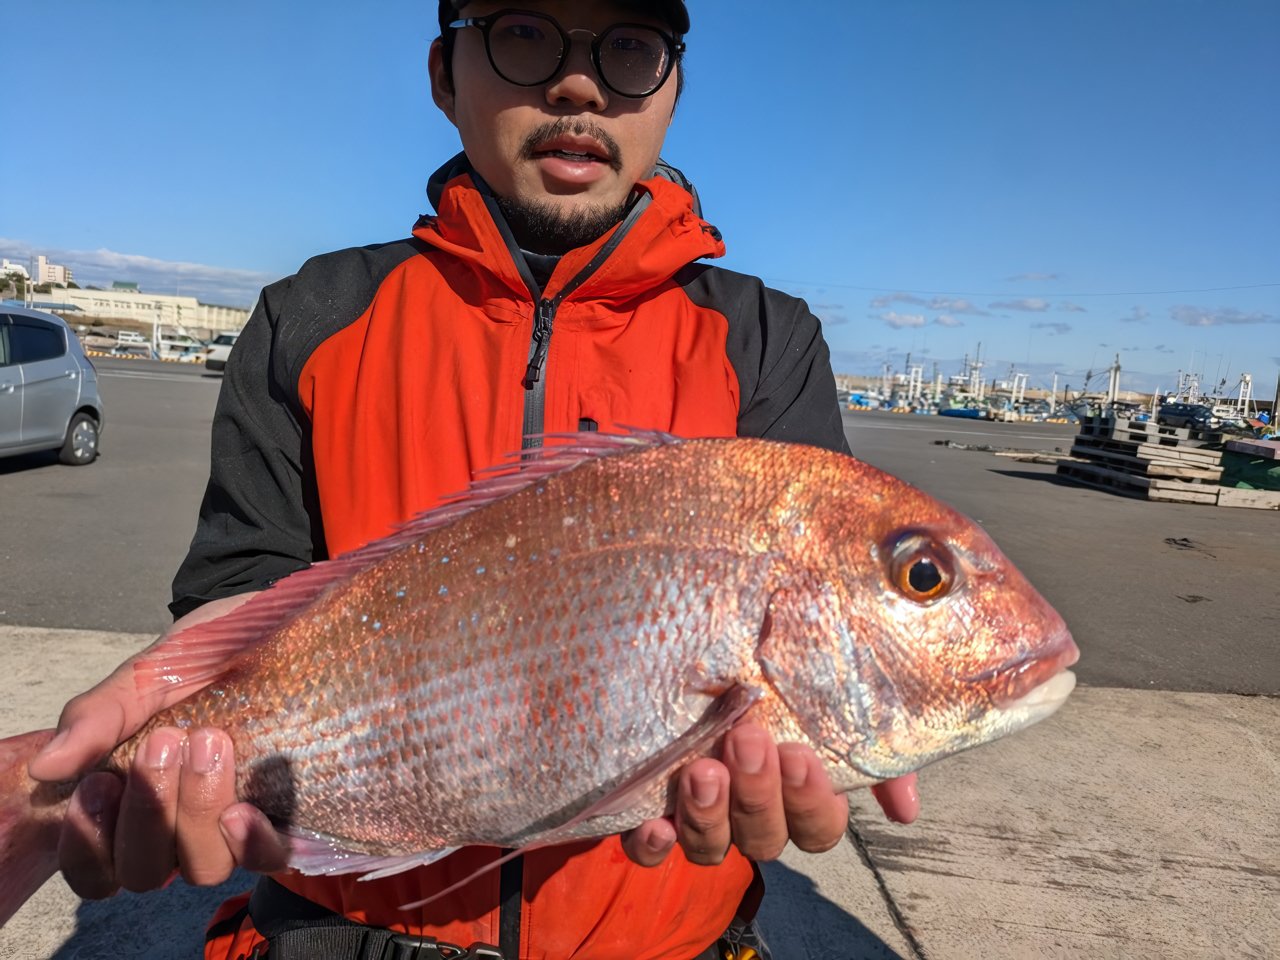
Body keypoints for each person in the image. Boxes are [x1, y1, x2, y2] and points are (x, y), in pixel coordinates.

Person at [29, 2, 920, 957]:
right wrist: (167, 732)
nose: (579, 85)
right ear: (444, 74)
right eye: (526, 33)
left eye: (630, 48)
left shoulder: (766, 340)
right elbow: (243, 590)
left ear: (673, 91)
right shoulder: (312, 317)